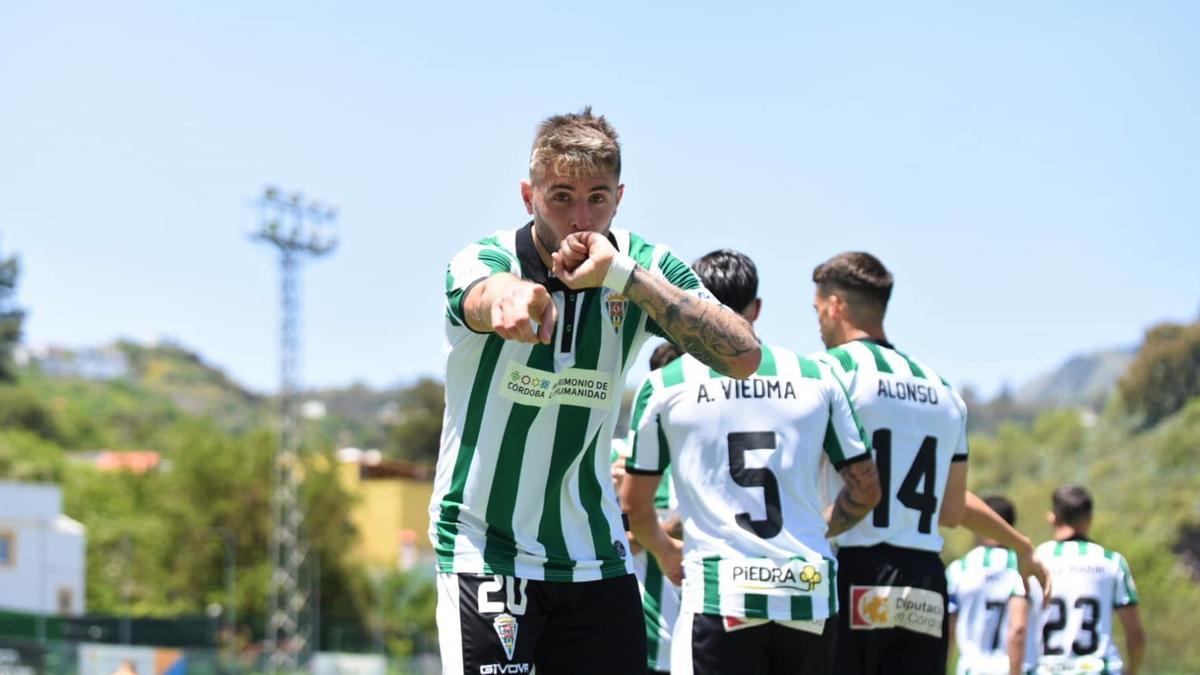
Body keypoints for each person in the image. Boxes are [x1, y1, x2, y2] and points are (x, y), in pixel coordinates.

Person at [431, 108, 761, 675]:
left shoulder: (641, 265)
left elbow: (743, 355)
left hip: (595, 557)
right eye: (561, 197)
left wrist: (626, 280)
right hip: (487, 550)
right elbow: (484, 293)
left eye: (598, 199)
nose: (581, 220)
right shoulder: (487, 257)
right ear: (526, 194)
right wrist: (513, 300)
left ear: (620, 196)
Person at [622, 249, 881, 675]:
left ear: (695, 301)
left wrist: (668, 555)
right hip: (807, 590)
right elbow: (866, 488)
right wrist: (815, 528)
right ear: (757, 308)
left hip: (720, 594)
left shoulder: (666, 384)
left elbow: (635, 505)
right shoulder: (818, 376)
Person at [809, 251, 1050, 675]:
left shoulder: (827, 373)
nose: (818, 324)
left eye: (817, 311)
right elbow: (951, 507)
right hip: (923, 581)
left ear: (835, 306)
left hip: (854, 571)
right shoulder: (942, 390)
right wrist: (1020, 543)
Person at [612, 341, 683, 675]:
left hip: (706, 643)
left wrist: (652, 528)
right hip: (639, 650)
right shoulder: (614, 460)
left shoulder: (717, 458)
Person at [1028, 485, 1146, 675]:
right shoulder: (1111, 562)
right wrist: (1132, 670)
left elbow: (1016, 627)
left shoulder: (1035, 561)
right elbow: (1135, 634)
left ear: (1052, 518)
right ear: (1089, 519)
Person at [946, 494, 1029, 675]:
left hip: (970, 669)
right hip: (1011, 668)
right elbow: (1018, 629)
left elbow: (948, 631)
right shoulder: (1023, 569)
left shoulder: (958, 569)